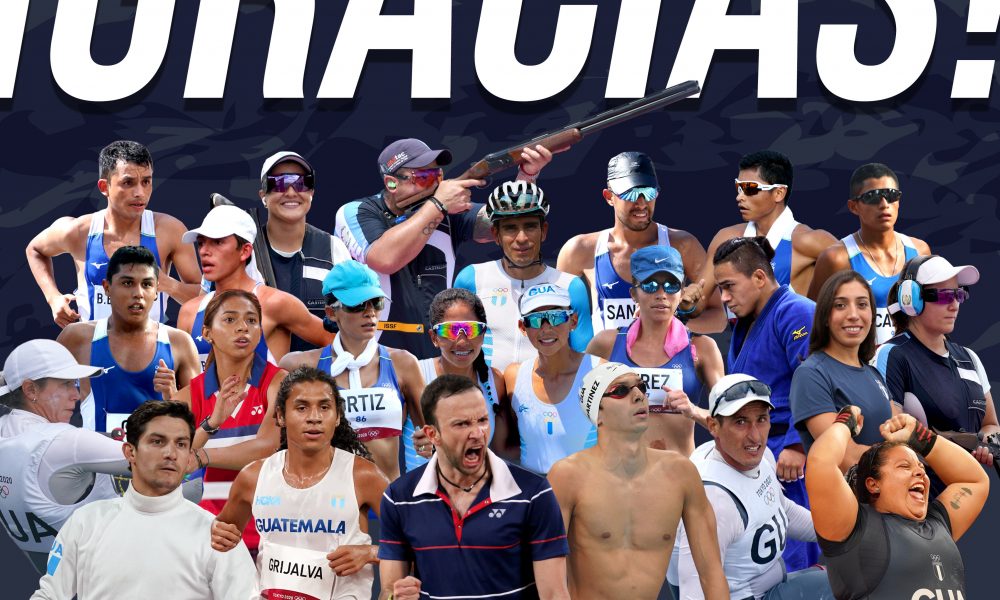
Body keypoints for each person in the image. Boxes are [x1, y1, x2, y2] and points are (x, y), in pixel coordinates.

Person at [336, 138, 553, 359]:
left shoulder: (445, 213)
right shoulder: (357, 212)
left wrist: (527, 177)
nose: (434, 185)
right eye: (423, 177)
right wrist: (438, 205)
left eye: (437, 175)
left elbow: (502, 227)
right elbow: (384, 259)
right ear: (391, 183)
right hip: (372, 356)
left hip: (435, 356)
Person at [31, 400, 257, 599]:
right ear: (130, 452)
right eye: (157, 442)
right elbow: (49, 595)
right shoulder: (85, 522)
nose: (171, 454)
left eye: (181, 444)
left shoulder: (217, 537)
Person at [379, 374, 571, 600]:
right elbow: (388, 591)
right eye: (462, 424)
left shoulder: (534, 493)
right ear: (433, 434)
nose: (478, 433)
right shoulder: (399, 497)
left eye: (482, 420)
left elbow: (554, 594)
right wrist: (394, 598)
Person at [547, 362, 728, 600]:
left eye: (641, 387)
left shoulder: (681, 473)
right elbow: (549, 584)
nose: (638, 396)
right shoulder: (567, 476)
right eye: (621, 391)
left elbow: (711, 573)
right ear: (598, 414)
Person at [210, 367, 388, 599]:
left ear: (337, 417)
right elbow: (223, 533)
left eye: (324, 407)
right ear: (281, 416)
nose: (314, 417)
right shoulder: (253, 476)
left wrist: (371, 553)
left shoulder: (364, 476)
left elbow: (417, 546)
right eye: (302, 407)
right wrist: (216, 532)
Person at [669, 374, 832, 600]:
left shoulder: (761, 456)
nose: (755, 436)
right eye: (741, 422)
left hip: (772, 583)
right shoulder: (714, 500)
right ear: (713, 426)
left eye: (761, 419)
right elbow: (693, 593)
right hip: (745, 595)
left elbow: (781, 508)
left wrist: (842, 534)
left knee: (850, 578)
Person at [712, 236, 818, 571]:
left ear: (759, 277)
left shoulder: (798, 312)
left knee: (796, 560)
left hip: (790, 458)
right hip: (758, 455)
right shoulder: (745, 322)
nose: (724, 298)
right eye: (720, 289)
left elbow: (813, 383)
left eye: (729, 286)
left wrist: (797, 444)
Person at [806, 407, 989, 599]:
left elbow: (975, 481)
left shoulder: (939, 523)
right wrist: (845, 422)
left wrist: (920, 436)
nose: (920, 472)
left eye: (921, 467)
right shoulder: (855, 530)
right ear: (873, 484)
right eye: (904, 466)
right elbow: (821, 463)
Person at [26, 140, 202, 327]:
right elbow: (35, 250)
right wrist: (53, 298)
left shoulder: (169, 231)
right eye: (128, 182)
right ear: (104, 187)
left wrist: (169, 285)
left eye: (146, 181)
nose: (140, 193)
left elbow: (203, 298)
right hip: (91, 345)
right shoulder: (79, 231)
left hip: (151, 345)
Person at [280, 261, 424, 481]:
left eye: (376, 303)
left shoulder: (403, 363)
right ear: (331, 312)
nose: (370, 313)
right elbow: (279, 441)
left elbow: (434, 433)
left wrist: (428, 441)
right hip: (327, 496)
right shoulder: (299, 366)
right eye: (357, 305)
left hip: (384, 497)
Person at [174, 289, 287, 552]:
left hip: (270, 538)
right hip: (208, 536)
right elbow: (173, 460)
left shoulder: (280, 382)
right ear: (207, 333)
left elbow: (267, 447)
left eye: (251, 320)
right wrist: (211, 424)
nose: (242, 327)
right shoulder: (188, 396)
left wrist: (202, 456)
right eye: (230, 319)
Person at [586, 245, 724, 456]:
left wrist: (693, 410)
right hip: (619, 471)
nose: (661, 294)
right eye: (650, 285)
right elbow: (581, 417)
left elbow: (728, 423)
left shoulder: (702, 349)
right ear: (634, 293)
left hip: (679, 472)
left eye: (671, 285)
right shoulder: (606, 344)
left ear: (681, 293)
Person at [875, 256, 998, 487]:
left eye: (959, 294)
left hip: (966, 492)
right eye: (944, 296)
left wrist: (988, 443)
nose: (954, 305)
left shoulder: (970, 358)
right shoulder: (892, 355)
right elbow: (890, 436)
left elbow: (991, 424)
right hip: (917, 495)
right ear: (911, 299)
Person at [0, 340, 122, 573]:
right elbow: (160, 461)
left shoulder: (5, 428)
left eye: (75, 384)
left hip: (52, 578)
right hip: (111, 574)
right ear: (30, 390)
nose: (76, 394)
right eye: (66, 384)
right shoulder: (67, 441)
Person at [557, 151, 709, 334]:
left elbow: (718, 317)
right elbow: (555, 320)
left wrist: (673, 321)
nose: (642, 203)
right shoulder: (580, 250)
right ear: (609, 197)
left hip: (666, 354)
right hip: (606, 353)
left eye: (649, 192)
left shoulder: (683, 245)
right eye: (631, 193)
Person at [56, 246, 200, 432]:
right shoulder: (77, 338)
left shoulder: (179, 343)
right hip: (94, 451)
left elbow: (198, 423)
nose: (138, 293)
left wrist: (173, 397)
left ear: (157, 289)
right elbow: (40, 399)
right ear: (107, 287)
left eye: (147, 284)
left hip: (159, 451)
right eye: (127, 283)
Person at [453, 181, 592, 371]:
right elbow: (455, 348)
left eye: (530, 227)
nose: (522, 238)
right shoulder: (471, 278)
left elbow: (584, 359)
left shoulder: (570, 286)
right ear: (496, 234)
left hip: (545, 389)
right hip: (487, 388)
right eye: (510, 228)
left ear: (544, 231)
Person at [177, 204, 333, 366]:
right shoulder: (189, 312)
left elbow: (338, 343)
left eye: (217, 242)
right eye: (201, 243)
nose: (204, 251)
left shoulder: (275, 303)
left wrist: (304, 376)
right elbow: (184, 376)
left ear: (245, 251)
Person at [698, 150, 836, 331]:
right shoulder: (725, 238)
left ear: (779, 193)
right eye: (739, 187)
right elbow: (695, 305)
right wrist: (686, 303)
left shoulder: (810, 241)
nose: (740, 196)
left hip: (795, 347)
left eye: (750, 188)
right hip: (741, 348)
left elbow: (861, 289)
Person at [807, 163, 931, 343]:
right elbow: (810, 322)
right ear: (853, 206)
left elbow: (932, 313)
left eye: (891, 195)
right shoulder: (836, 258)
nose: (884, 204)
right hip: (859, 360)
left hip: (911, 359)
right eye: (872, 197)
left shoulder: (919, 250)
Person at [791, 271, 898, 467]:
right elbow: (847, 458)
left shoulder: (872, 373)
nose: (853, 315)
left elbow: (901, 435)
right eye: (840, 305)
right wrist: (903, 458)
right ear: (825, 315)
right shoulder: (811, 374)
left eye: (862, 304)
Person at [405, 288, 511, 471]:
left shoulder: (495, 382)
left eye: (471, 329)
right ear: (434, 337)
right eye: (450, 330)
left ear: (483, 334)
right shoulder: (414, 374)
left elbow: (499, 454)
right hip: (420, 488)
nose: (462, 341)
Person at [258, 151, 353, 351]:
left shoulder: (333, 248)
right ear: (263, 196)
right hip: (258, 369)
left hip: (320, 368)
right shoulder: (244, 249)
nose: (291, 192)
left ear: (312, 193)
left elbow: (353, 318)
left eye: (302, 183)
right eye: (279, 183)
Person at [503, 283, 599, 474]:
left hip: (586, 490)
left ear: (573, 321)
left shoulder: (599, 371)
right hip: (532, 491)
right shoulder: (514, 376)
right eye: (535, 320)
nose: (546, 328)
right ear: (523, 327)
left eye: (556, 317)